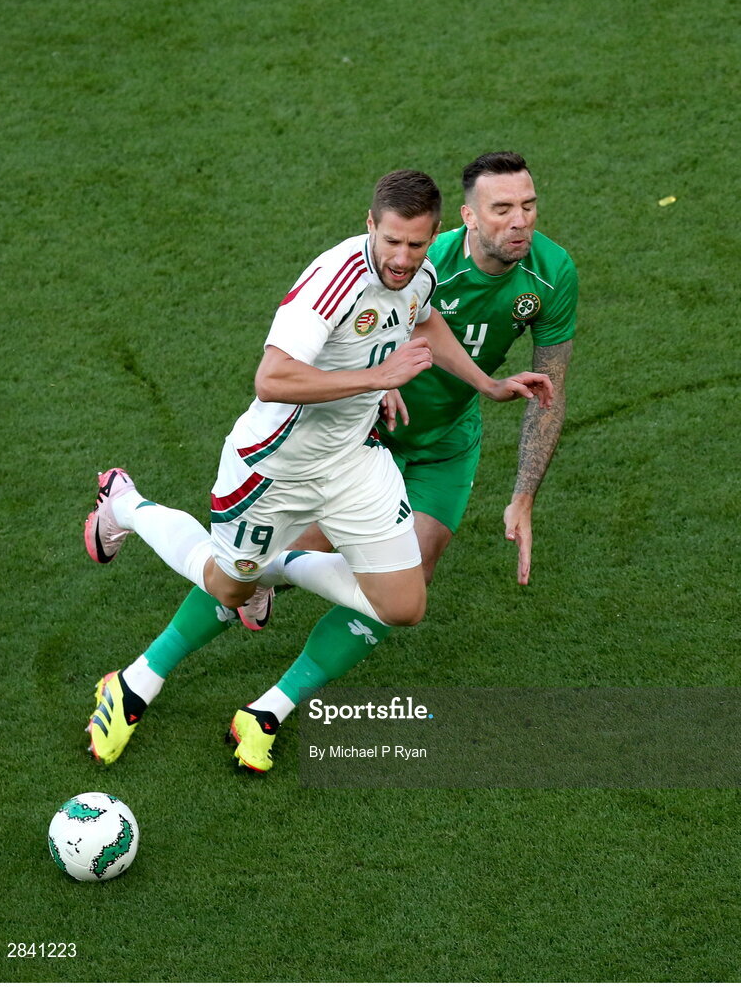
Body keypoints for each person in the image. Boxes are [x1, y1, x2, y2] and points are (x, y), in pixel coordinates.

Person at [84, 167, 553, 771]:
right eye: (391, 242)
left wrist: (487, 384)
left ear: (433, 234)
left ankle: (271, 575)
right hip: (272, 467)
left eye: (415, 244)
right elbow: (271, 379)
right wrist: (377, 377)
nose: (403, 258)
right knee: (227, 586)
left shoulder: (423, 273)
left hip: (353, 464)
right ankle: (125, 504)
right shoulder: (334, 281)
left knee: (404, 604)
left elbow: (425, 318)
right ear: (369, 227)